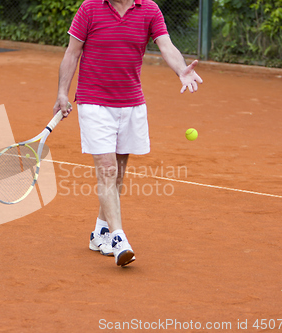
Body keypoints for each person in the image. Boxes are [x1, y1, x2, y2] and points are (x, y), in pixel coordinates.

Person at [53, 0, 203, 266]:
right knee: (108, 169)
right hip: (94, 101)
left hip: (131, 102)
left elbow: (166, 46)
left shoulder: (149, 9)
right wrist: (62, 93)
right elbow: (72, 53)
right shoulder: (89, 8)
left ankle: (100, 231)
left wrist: (181, 70)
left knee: (119, 171)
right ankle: (118, 238)